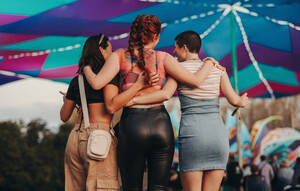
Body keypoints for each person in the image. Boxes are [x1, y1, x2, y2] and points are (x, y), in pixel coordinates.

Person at [83, 15, 218, 191]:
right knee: (159, 188)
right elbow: (195, 81)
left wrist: (85, 67)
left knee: (132, 187)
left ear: (134, 34)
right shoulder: (164, 58)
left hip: (132, 125)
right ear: (156, 36)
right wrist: (209, 62)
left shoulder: (119, 57)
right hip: (160, 125)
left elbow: (97, 83)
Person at [127, 30, 249, 191]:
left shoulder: (178, 70)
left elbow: (164, 94)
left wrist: (133, 99)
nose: (174, 52)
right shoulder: (217, 69)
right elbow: (235, 101)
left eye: (176, 48)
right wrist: (243, 100)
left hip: (194, 137)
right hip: (218, 138)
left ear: (184, 48)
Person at [60, 34, 148, 191]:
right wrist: (137, 86)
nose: (113, 55)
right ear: (101, 50)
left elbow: (64, 116)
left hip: (74, 138)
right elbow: (112, 105)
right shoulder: (109, 75)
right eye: (111, 50)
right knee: (103, 186)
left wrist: (67, 101)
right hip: (98, 136)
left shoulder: (77, 80)